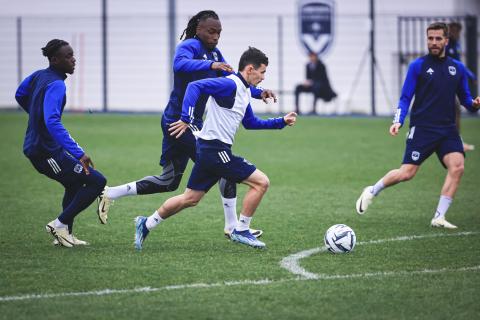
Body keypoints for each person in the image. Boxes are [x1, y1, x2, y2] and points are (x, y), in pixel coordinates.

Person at [97, 11, 276, 240]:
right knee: (223, 165)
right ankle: (233, 227)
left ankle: (111, 193)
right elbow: (179, 65)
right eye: (211, 31)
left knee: (169, 181)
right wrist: (212, 65)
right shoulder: (189, 46)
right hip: (179, 121)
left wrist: (259, 93)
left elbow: (235, 82)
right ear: (198, 28)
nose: (215, 36)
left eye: (219, 32)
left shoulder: (215, 53)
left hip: (189, 123)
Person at [133, 47, 297, 250]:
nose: (263, 77)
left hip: (207, 150)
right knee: (261, 183)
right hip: (215, 150)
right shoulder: (229, 85)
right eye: (262, 72)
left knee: (190, 198)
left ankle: (146, 223)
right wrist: (187, 118)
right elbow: (194, 86)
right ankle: (241, 229)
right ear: (250, 69)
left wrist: (281, 121)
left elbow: (251, 122)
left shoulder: (243, 91)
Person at [355, 22, 480, 229]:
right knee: (407, 173)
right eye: (430, 38)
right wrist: (398, 120)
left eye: (438, 38)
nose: (433, 42)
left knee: (457, 167)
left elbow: (466, 100)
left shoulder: (457, 68)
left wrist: (474, 105)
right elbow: (405, 98)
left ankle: (439, 217)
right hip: (423, 128)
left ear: (446, 41)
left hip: (448, 130)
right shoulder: (417, 66)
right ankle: (372, 190)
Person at [15, 39, 107, 247]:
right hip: (44, 151)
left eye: (73, 55)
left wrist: (34, 114)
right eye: (68, 56)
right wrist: (79, 153)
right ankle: (59, 224)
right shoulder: (56, 84)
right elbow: (52, 121)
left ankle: (65, 233)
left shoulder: (39, 75)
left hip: (43, 147)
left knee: (74, 183)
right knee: (96, 181)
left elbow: (20, 93)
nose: (73, 59)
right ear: (54, 60)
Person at [446, 21, 477, 152]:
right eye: (454, 31)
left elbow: (459, 64)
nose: (457, 34)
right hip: (444, 83)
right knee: (453, 109)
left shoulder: (456, 45)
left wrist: (469, 75)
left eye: (458, 31)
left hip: (453, 84)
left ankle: (456, 140)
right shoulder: (446, 46)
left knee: (455, 109)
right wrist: (470, 75)